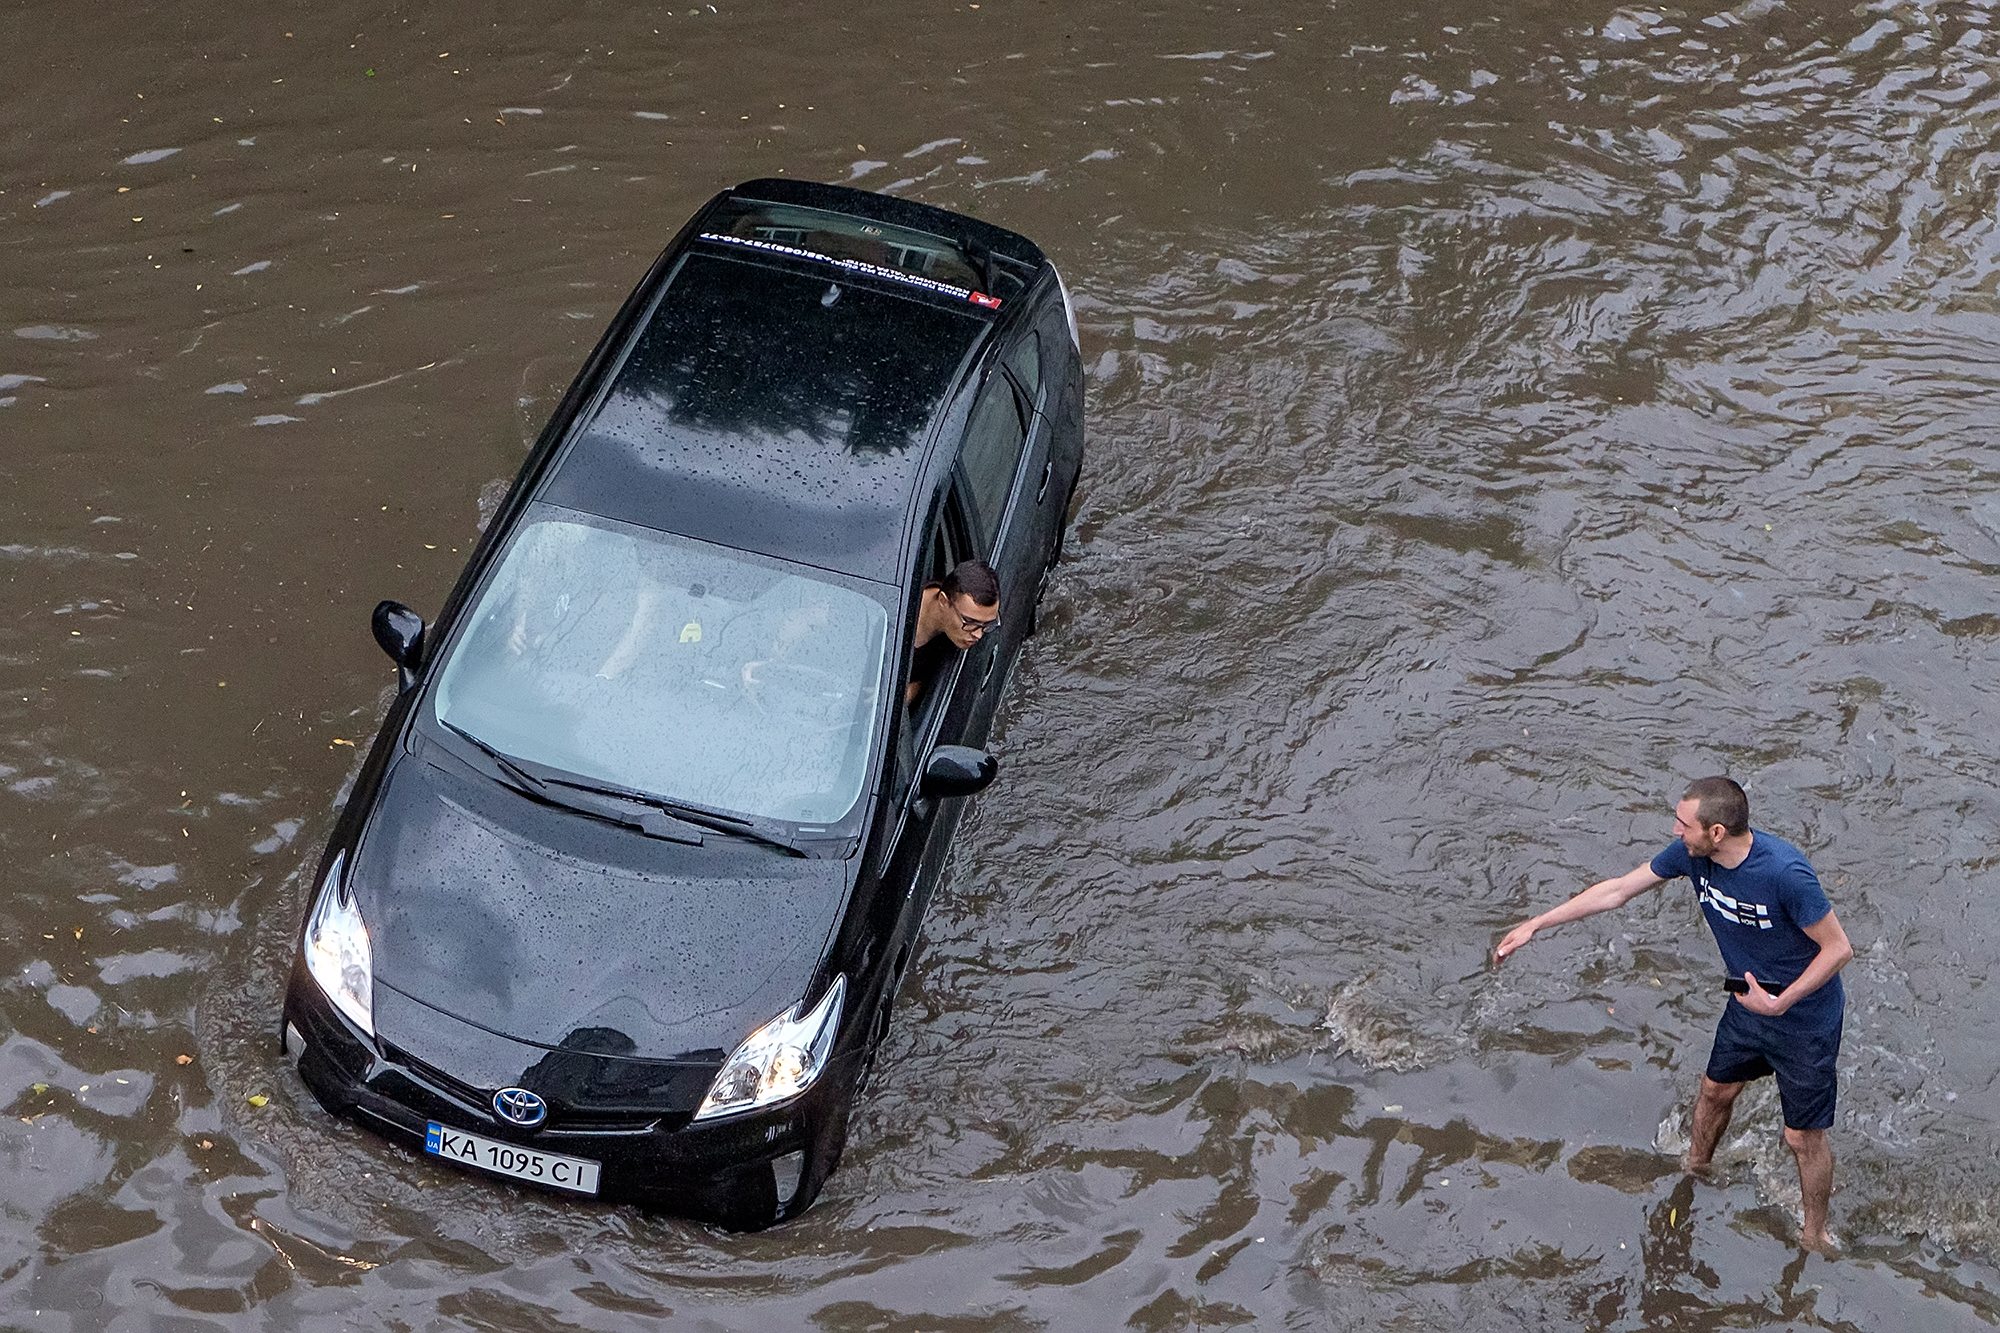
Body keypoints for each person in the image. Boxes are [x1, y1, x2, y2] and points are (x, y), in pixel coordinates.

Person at [1495, 776, 1854, 1253]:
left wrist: (1781, 1002)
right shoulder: (1691, 856)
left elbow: (1838, 949)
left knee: (1801, 1138)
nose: (1675, 831)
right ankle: (1695, 1170)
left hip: (1804, 1018)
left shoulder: (1785, 872)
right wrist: (1536, 924)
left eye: (1683, 824)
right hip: (1747, 1006)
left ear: (1717, 832)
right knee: (1715, 1092)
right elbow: (1618, 890)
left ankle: (1815, 1235)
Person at [905, 560, 1001, 706]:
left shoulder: (950, 638)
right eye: (970, 621)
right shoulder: (893, 616)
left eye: (986, 624)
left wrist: (913, 690)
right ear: (943, 601)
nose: (978, 635)